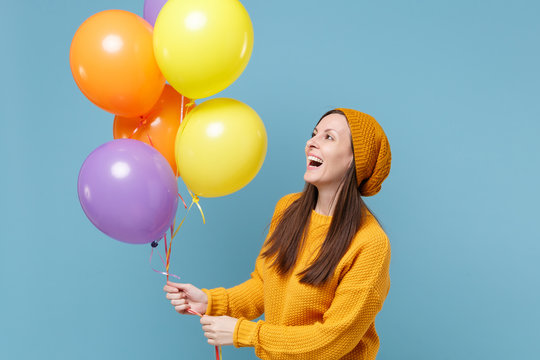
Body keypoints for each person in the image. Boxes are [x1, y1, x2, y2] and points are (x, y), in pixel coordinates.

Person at [164, 108, 392, 359]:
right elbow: (264, 286)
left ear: (355, 159)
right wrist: (209, 301)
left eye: (328, 137)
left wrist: (244, 333)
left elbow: (332, 340)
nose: (311, 143)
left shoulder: (370, 243)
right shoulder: (288, 210)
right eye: (314, 134)